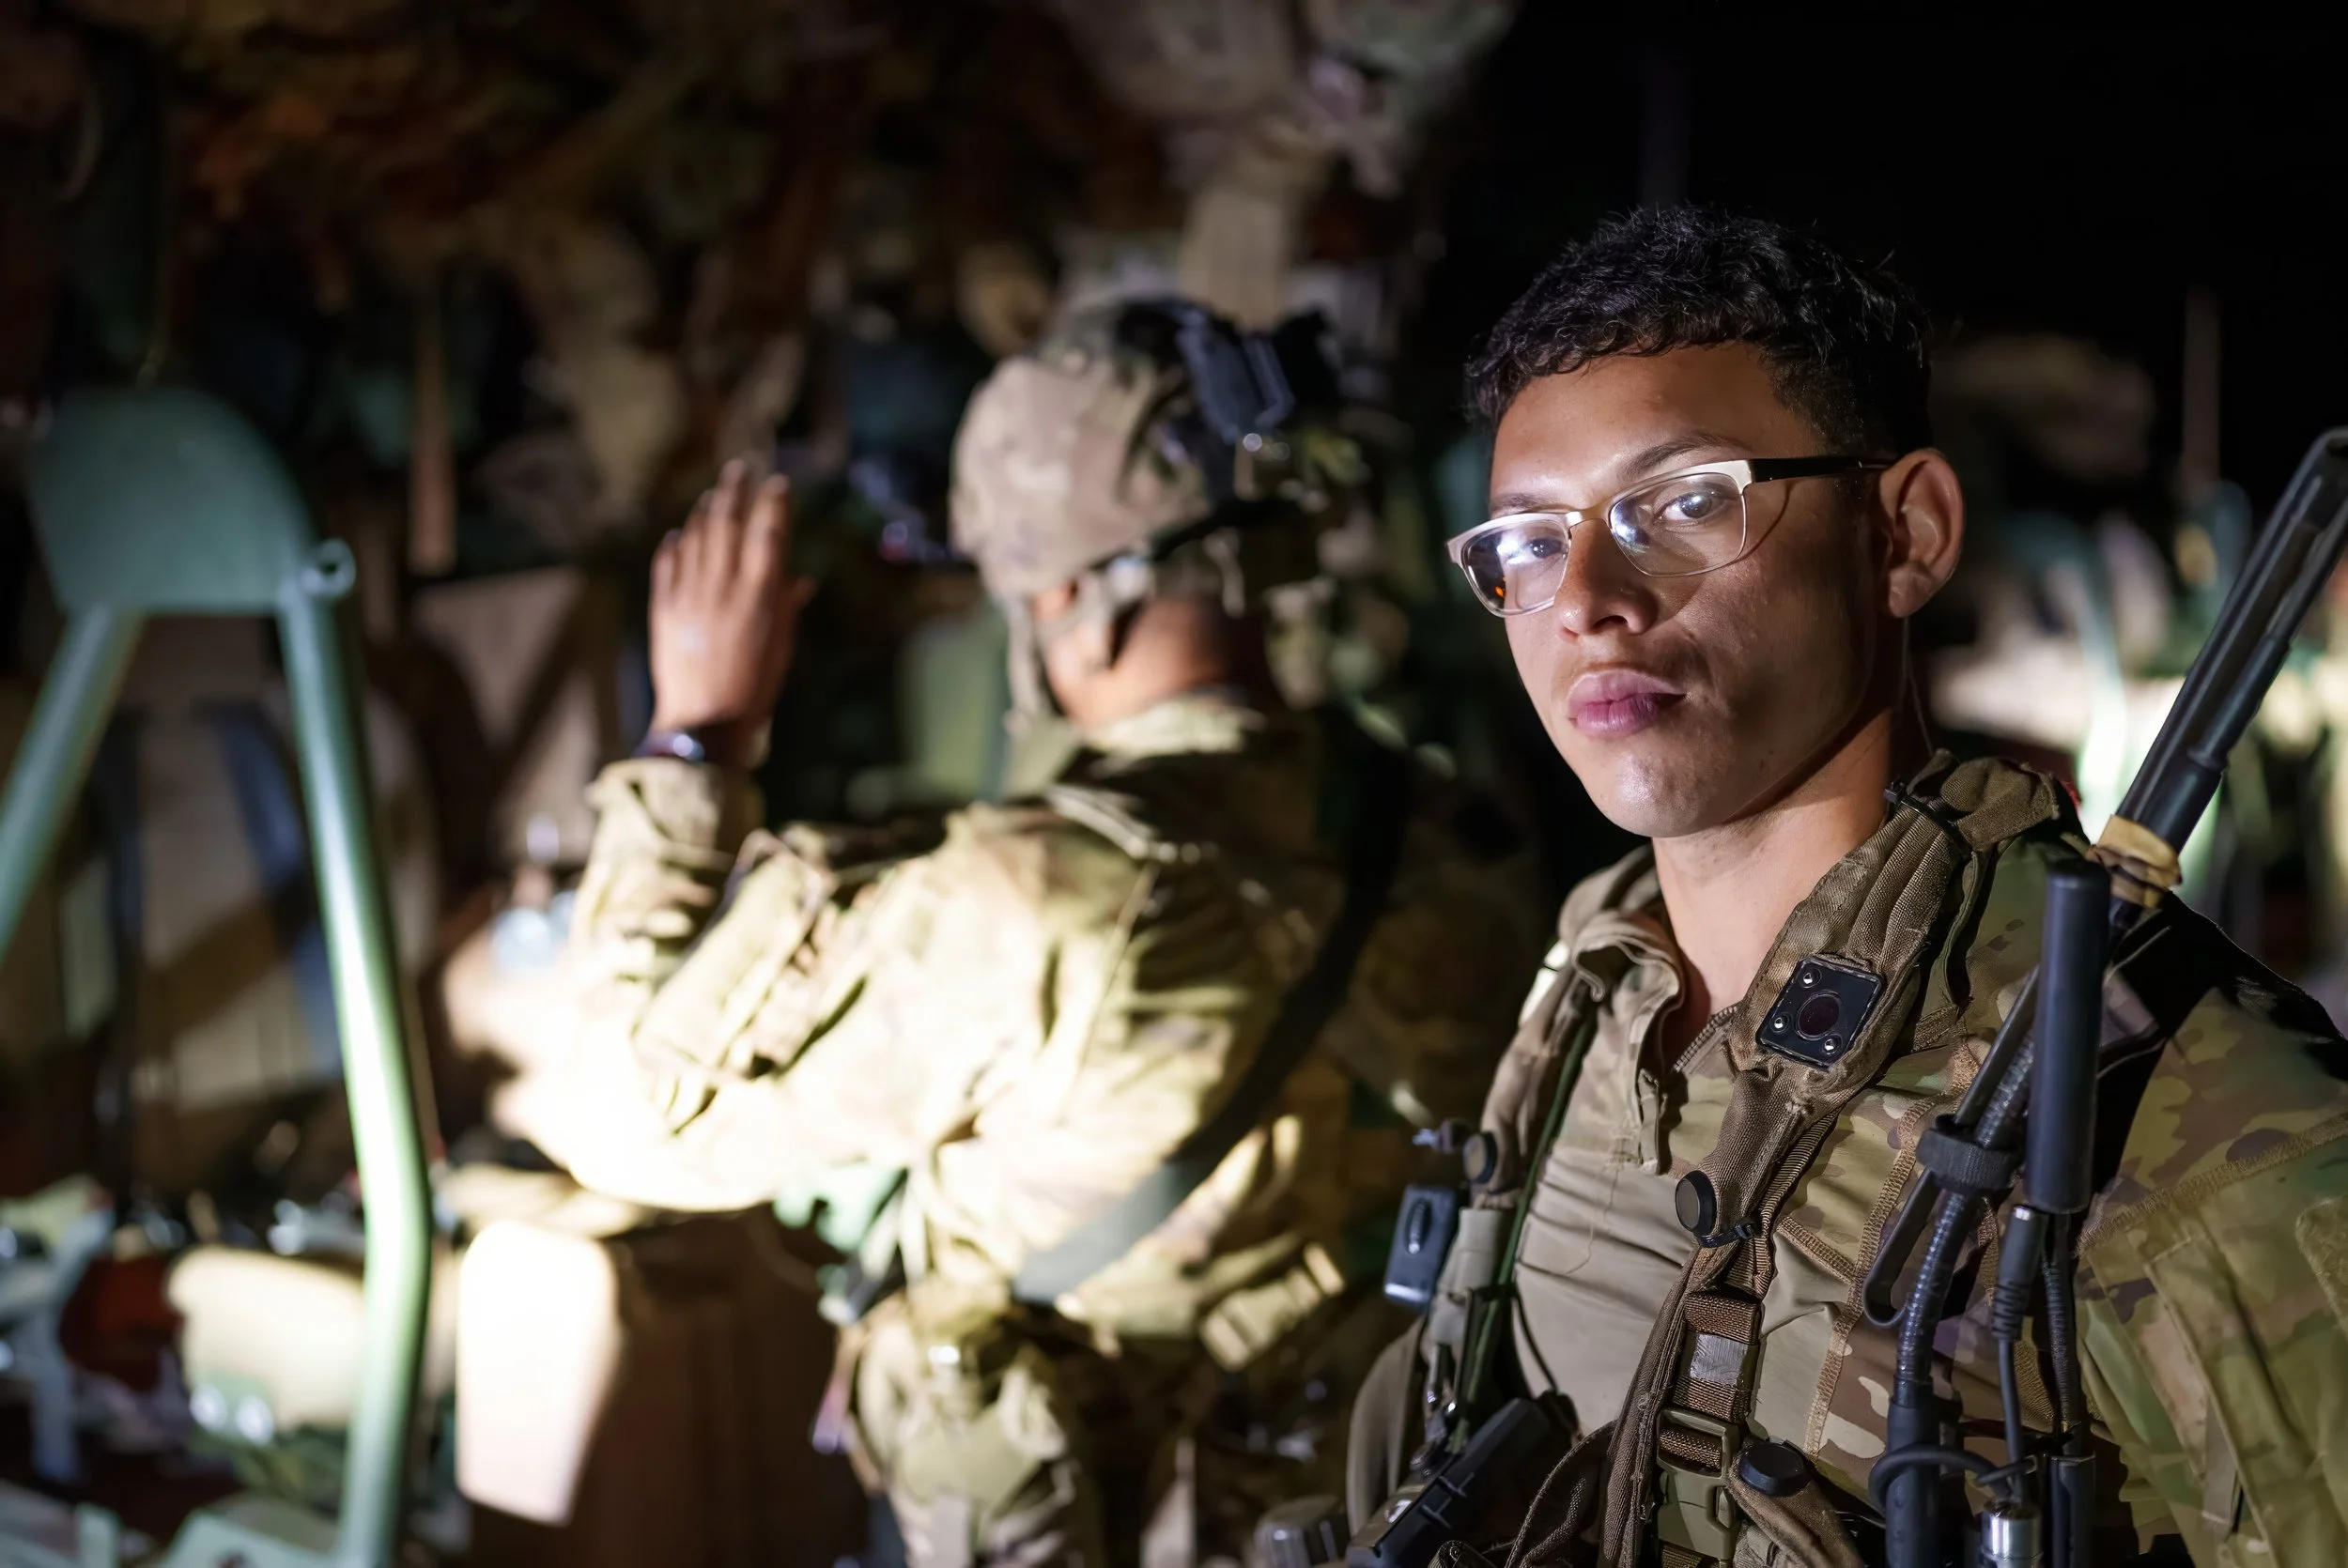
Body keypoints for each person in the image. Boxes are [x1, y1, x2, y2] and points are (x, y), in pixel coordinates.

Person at [1346, 208, 2348, 1568]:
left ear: (1906, 532)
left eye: (1686, 501)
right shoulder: (1596, 980)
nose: (1584, 596)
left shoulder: (2175, 1095)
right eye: (1525, 541)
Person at [540, 298, 1547, 1568]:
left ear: (1067, 595)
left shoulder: (1040, 892)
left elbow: (620, 1120)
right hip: (1362, 1509)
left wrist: (698, 740)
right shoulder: (1453, 827)